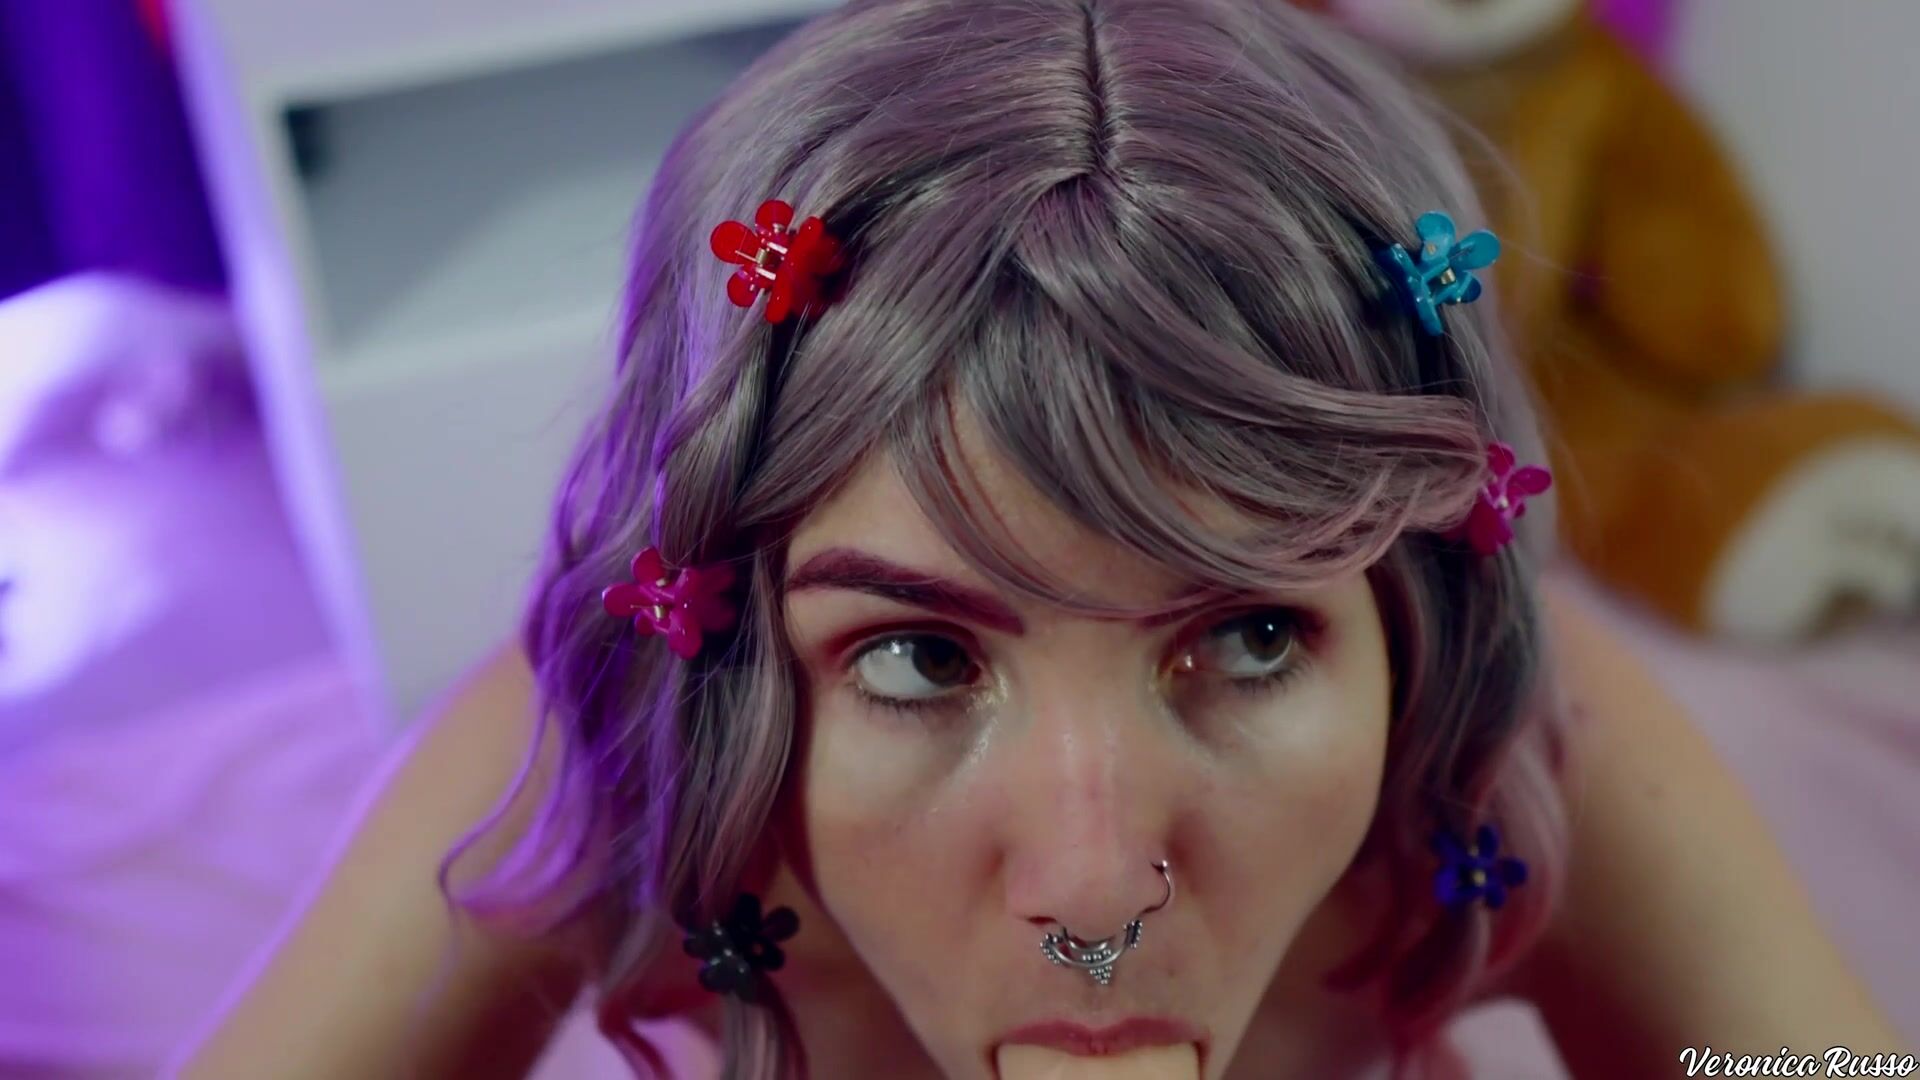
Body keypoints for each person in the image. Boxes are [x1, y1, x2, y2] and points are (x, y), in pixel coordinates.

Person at [170, 1, 1904, 1077]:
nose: (1092, 891)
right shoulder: (623, 766)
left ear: (1411, 620)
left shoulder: (1502, 752)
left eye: (1250, 638)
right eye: (921, 656)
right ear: (730, 636)